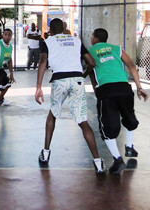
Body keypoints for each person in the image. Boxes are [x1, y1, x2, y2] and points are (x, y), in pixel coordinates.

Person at [35, 18, 106, 174]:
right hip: (77, 80)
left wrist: (39, 86)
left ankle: (46, 153)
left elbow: (42, 61)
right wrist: (82, 75)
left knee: (53, 114)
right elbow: (91, 62)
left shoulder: (48, 41)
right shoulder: (76, 40)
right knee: (82, 121)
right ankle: (98, 162)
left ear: (50, 30)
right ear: (64, 28)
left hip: (59, 80)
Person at [87, 28, 148, 174]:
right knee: (129, 118)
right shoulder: (116, 49)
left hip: (106, 89)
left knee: (108, 127)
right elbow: (131, 65)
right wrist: (139, 87)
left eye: (91, 36)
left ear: (95, 38)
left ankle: (117, 159)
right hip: (124, 87)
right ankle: (129, 146)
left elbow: (91, 70)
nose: (91, 38)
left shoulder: (89, 51)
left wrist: (96, 89)